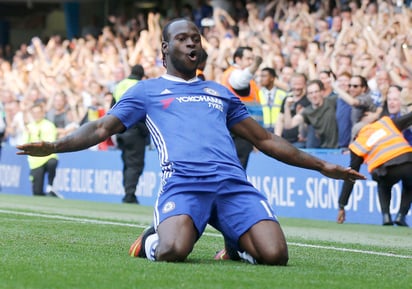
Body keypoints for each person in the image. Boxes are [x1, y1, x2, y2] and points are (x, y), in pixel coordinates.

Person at [17, 19, 365, 266]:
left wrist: (321, 166)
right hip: (184, 183)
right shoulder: (147, 91)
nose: (192, 43)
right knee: (172, 251)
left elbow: (266, 139)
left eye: (196, 38)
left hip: (231, 185)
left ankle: (233, 245)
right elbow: (99, 129)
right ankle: (151, 239)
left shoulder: (220, 92)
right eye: (183, 38)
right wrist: (55, 146)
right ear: (166, 48)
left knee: (275, 256)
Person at [337, 110, 412, 227]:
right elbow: (409, 117)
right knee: (410, 186)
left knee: (383, 185)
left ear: (355, 136)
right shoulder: (386, 123)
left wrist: (342, 205)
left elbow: (350, 176)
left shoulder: (358, 143)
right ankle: (401, 216)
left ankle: (386, 216)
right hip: (408, 160)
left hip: (386, 170)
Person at [221, 46, 262, 169]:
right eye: (248, 59)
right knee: (237, 168)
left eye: (252, 59)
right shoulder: (234, 74)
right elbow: (240, 81)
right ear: (238, 59)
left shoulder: (243, 77)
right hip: (240, 129)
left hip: (244, 129)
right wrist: (255, 66)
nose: (250, 62)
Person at [113, 64, 149, 204]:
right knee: (135, 164)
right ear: (142, 74)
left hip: (120, 129)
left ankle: (127, 191)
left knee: (127, 163)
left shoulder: (120, 85)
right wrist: (145, 130)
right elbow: (143, 110)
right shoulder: (141, 85)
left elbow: (113, 107)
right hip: (135, 130)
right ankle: (129, 194)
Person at [282, 79, 338, 148]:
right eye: (310, 93)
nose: (314, 95)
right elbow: (289, 125)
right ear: (307, 96)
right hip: (322, 148)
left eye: (316, 92)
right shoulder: (307, 111)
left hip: (338, 147)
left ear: (322, 92)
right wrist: (286, 107)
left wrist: (335, 87)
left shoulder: (332, 101)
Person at [23, 101, 61, 197]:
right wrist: (28, 134)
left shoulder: (49, 125)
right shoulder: (29, 127)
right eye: (34, 113)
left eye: (38, 112)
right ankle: (48, 196)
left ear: (43, 113)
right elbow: (24, 144)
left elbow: (50, 142)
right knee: (37, 192)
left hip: (47, 156)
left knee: (52, 162)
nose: (36, 115)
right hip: (35, 161)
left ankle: (50, 186)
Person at [258, 67, 287, 133]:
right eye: (261, 76)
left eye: (264, 76)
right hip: (262, 129)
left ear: (272, 78)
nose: (261, 79)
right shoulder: (258, 94)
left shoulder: (282, 94)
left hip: (279, 130)